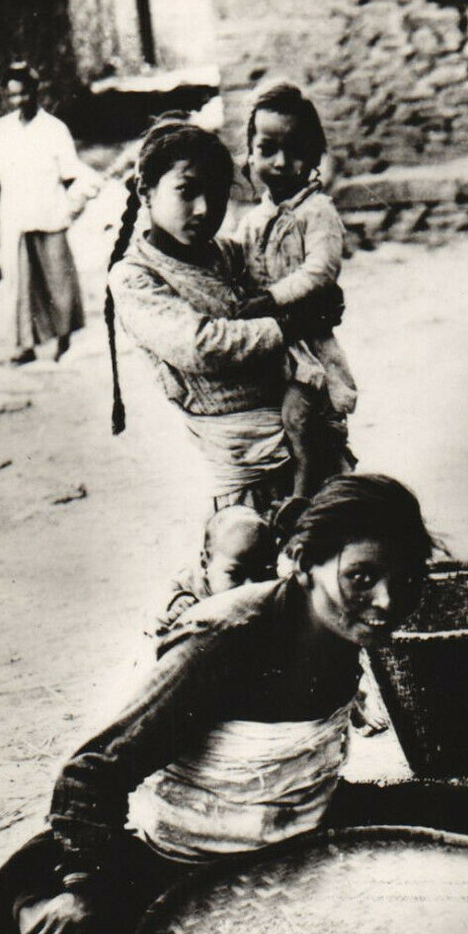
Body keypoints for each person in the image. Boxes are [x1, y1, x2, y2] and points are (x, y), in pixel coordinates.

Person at [0, 474, 468, 934]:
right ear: (303, 563)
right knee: (29, 878)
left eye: (405, 579)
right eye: (362, 577)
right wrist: (84, 887)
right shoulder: (225, 638)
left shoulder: (348, 623)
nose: (387, 601)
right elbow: (91, 772)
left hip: (300, 834)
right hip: (187, 862)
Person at [106, 116, 334, 517]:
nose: (204, 209)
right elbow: (202, 346)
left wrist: (317, 298)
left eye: (216, 193)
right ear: (146, 191)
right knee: (252, 554)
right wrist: (287, 326)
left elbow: (295, 286)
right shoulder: (136, 277)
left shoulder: (227, 255)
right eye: (186, 191)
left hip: (296, 431)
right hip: (242, 461)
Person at [233, 80, 358, 526]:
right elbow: (235, 267)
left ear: (315, 156)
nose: (282, 163)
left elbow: (321, 269)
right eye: (268, 149)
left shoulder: (317, 211)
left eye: (296, 150)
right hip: (267, 345)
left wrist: (270, 297)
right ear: (249, 152)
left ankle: (305, 493)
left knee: (301, 415)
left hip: (306, 345)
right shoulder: (251, 222)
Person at [0, 61, 102, 365]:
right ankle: (26, 345)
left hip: (49, 213)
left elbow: (72, 173)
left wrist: (71, 206)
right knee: (20, 283)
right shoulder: (1, 130)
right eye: (12, 96)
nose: (19, 101)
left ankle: (64, 340)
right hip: (16, 216)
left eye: (24, 94)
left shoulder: (54, 130)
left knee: (58, 279)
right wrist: (3, 212)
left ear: (36, 91)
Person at [154, 505, 276, 638]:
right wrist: (176, 601)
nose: (249, 585)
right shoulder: (190, 581)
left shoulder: (266, 587)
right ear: (205, 563)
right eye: (236, 575)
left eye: (259, 574)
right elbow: (158, 602)